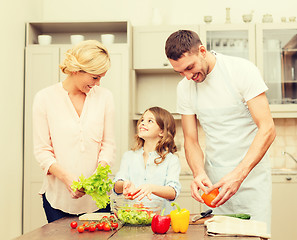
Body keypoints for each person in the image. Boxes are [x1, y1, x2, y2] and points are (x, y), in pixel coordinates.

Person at [165, 30, 276, 230]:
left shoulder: (241, 71)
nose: (188, 77)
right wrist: (198, 173)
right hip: (214, 186)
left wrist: (238, 175)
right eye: (180, 72)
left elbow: (267, 128)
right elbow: (191, 139)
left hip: (251, 180)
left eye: (190, 68)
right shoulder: (185, 88)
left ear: (202, 51)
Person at [33, 40, 116, 223]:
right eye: (95, 77)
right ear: (76, 70)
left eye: (102, 77)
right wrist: (67, 178)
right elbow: (42, 151)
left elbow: (108, 145)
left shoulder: (105, 97)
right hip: (57, 199)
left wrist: (99, 173)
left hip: (97, 200)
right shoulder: (45, 98)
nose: (98, 83)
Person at [113, 106, 181, 214]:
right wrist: (125, 184)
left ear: (162, 132)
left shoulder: (171, 160)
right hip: (133, 218)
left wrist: (151, 188)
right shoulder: (129, 156)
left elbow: (173, 192)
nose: (143, 123)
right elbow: (117, 187)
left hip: (161, 220)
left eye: (150, 121)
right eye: (142, 120)